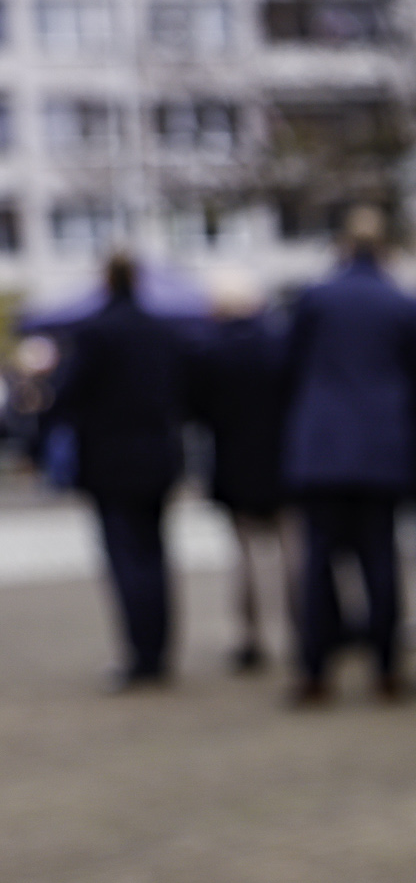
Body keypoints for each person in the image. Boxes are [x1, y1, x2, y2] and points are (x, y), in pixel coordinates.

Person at [280, 205, 416, 704]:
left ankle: (316, 673)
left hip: (322, 452)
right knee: (381, 564)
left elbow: (290, 366)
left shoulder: (316, 299)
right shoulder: (402, 304)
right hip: (382, 452)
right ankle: (387, 671)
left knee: (319, 566)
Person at [49, 252, 186, 690]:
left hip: (110, 461)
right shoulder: (163, 331)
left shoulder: (94, 333)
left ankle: (141, 655)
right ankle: (160, 650)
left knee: (126, 559)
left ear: (106, 281)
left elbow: (66, 394)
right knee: (157, 555)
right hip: (158, 457)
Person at [184, 269, 292, 674]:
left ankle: (250, 637)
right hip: (282, 459)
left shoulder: (209, 351)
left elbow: (194, 409)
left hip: (233, 459)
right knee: (292, 551)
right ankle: (304, 630)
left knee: (244, 554)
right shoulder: (280, 344)